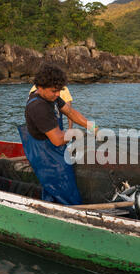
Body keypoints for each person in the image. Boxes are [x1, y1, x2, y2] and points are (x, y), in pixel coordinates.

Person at [18, 64, 97, 205]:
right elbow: (58, 139)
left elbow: (70, 112)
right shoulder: (38, 107)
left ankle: (48, 207)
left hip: (54, 149)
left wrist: (92, 127)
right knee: (66, 191)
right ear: (40, 87)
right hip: (46, 156)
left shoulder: (52, 98)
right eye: (54, 91)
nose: (58, 94)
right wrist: (78, 133)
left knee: (51, 190)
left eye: (59, 90)